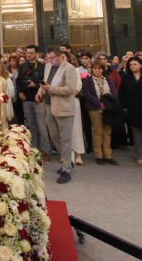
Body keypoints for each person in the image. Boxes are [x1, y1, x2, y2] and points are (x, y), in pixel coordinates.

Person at [38, 49, 80, 183]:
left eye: (52, 58)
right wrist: (40, 92)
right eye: (48, 58)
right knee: (55, 136)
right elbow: (45, 82)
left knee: (65, 139)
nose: (50, 61)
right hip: (49, 106)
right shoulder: (48, 66)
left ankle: (66, 170)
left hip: (64, 108)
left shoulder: (69, 68)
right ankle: (68, 161)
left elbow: (70, 89)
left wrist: (50, 89)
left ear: (60, 55)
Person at [119, 57, 142, 165]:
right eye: (130, 65)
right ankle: (140, 155)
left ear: (141, 65)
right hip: (132, 109)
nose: (132, 66)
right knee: (137, 134)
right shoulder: (126, 77)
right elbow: (122, 94)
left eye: (135, 64)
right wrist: (124, 107)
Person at [81, 61, 119, 165]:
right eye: (95, 68)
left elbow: (113, 92)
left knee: (107, 131)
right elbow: (88, 94)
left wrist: (109, 104)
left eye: (100, 68)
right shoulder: (88, 80)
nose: (97, 70)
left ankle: (108, 155)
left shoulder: (107, 79)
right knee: (98, 131)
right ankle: (98, 155)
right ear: (92, 69)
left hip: (108, 108)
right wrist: (99, 103)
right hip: (94, 108)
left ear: (103, 70)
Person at [19, 45, 50, 162]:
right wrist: (19, 92)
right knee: (31, 126)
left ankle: (46, 152)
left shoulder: (42, 67)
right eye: (27, 53)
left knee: (42, 127)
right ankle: (33, 151)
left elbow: (45, 82)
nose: (29, 55)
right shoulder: (23, 66)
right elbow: (18, 81)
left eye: (31, 53)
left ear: (37, 53)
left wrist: (35, 85)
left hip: (38, 99)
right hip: (26, 99)